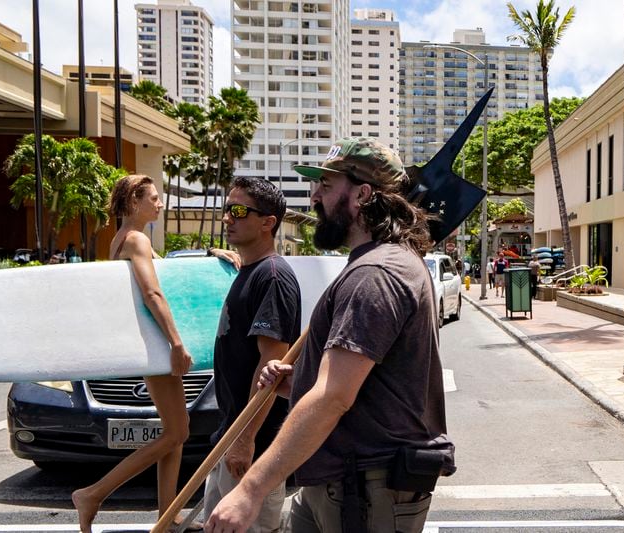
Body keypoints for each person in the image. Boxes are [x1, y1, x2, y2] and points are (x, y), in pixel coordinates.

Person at [205, 137, 455, 533]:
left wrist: (251, 489)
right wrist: (299, 381)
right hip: (339, 479)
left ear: (363, 194)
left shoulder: (376, 274)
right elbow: (358, 380)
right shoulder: (379, 264)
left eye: (326, 185)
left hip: (365, 486)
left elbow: (334, 395)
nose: (314, 195)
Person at [72, 175, 195, 533]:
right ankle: (93, 494)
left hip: (151, 345)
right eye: (153, 198)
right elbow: (152, 294)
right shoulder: (137, 239)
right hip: (157, 344)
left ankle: (167, 515)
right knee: (175, 434)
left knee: (177, 431)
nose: (160, 204)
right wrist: (176, 342)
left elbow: (169, 268)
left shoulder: (121, 240)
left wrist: (211, 254)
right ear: (133, 203)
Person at [204, 177, 302, 532]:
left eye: (240, 211)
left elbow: (271, 368)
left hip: (252, 450)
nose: (228, 218)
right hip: (229, 440)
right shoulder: (249, 272)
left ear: (268, 222)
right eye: (227, 209)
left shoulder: (273, 277)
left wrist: (245, 441)